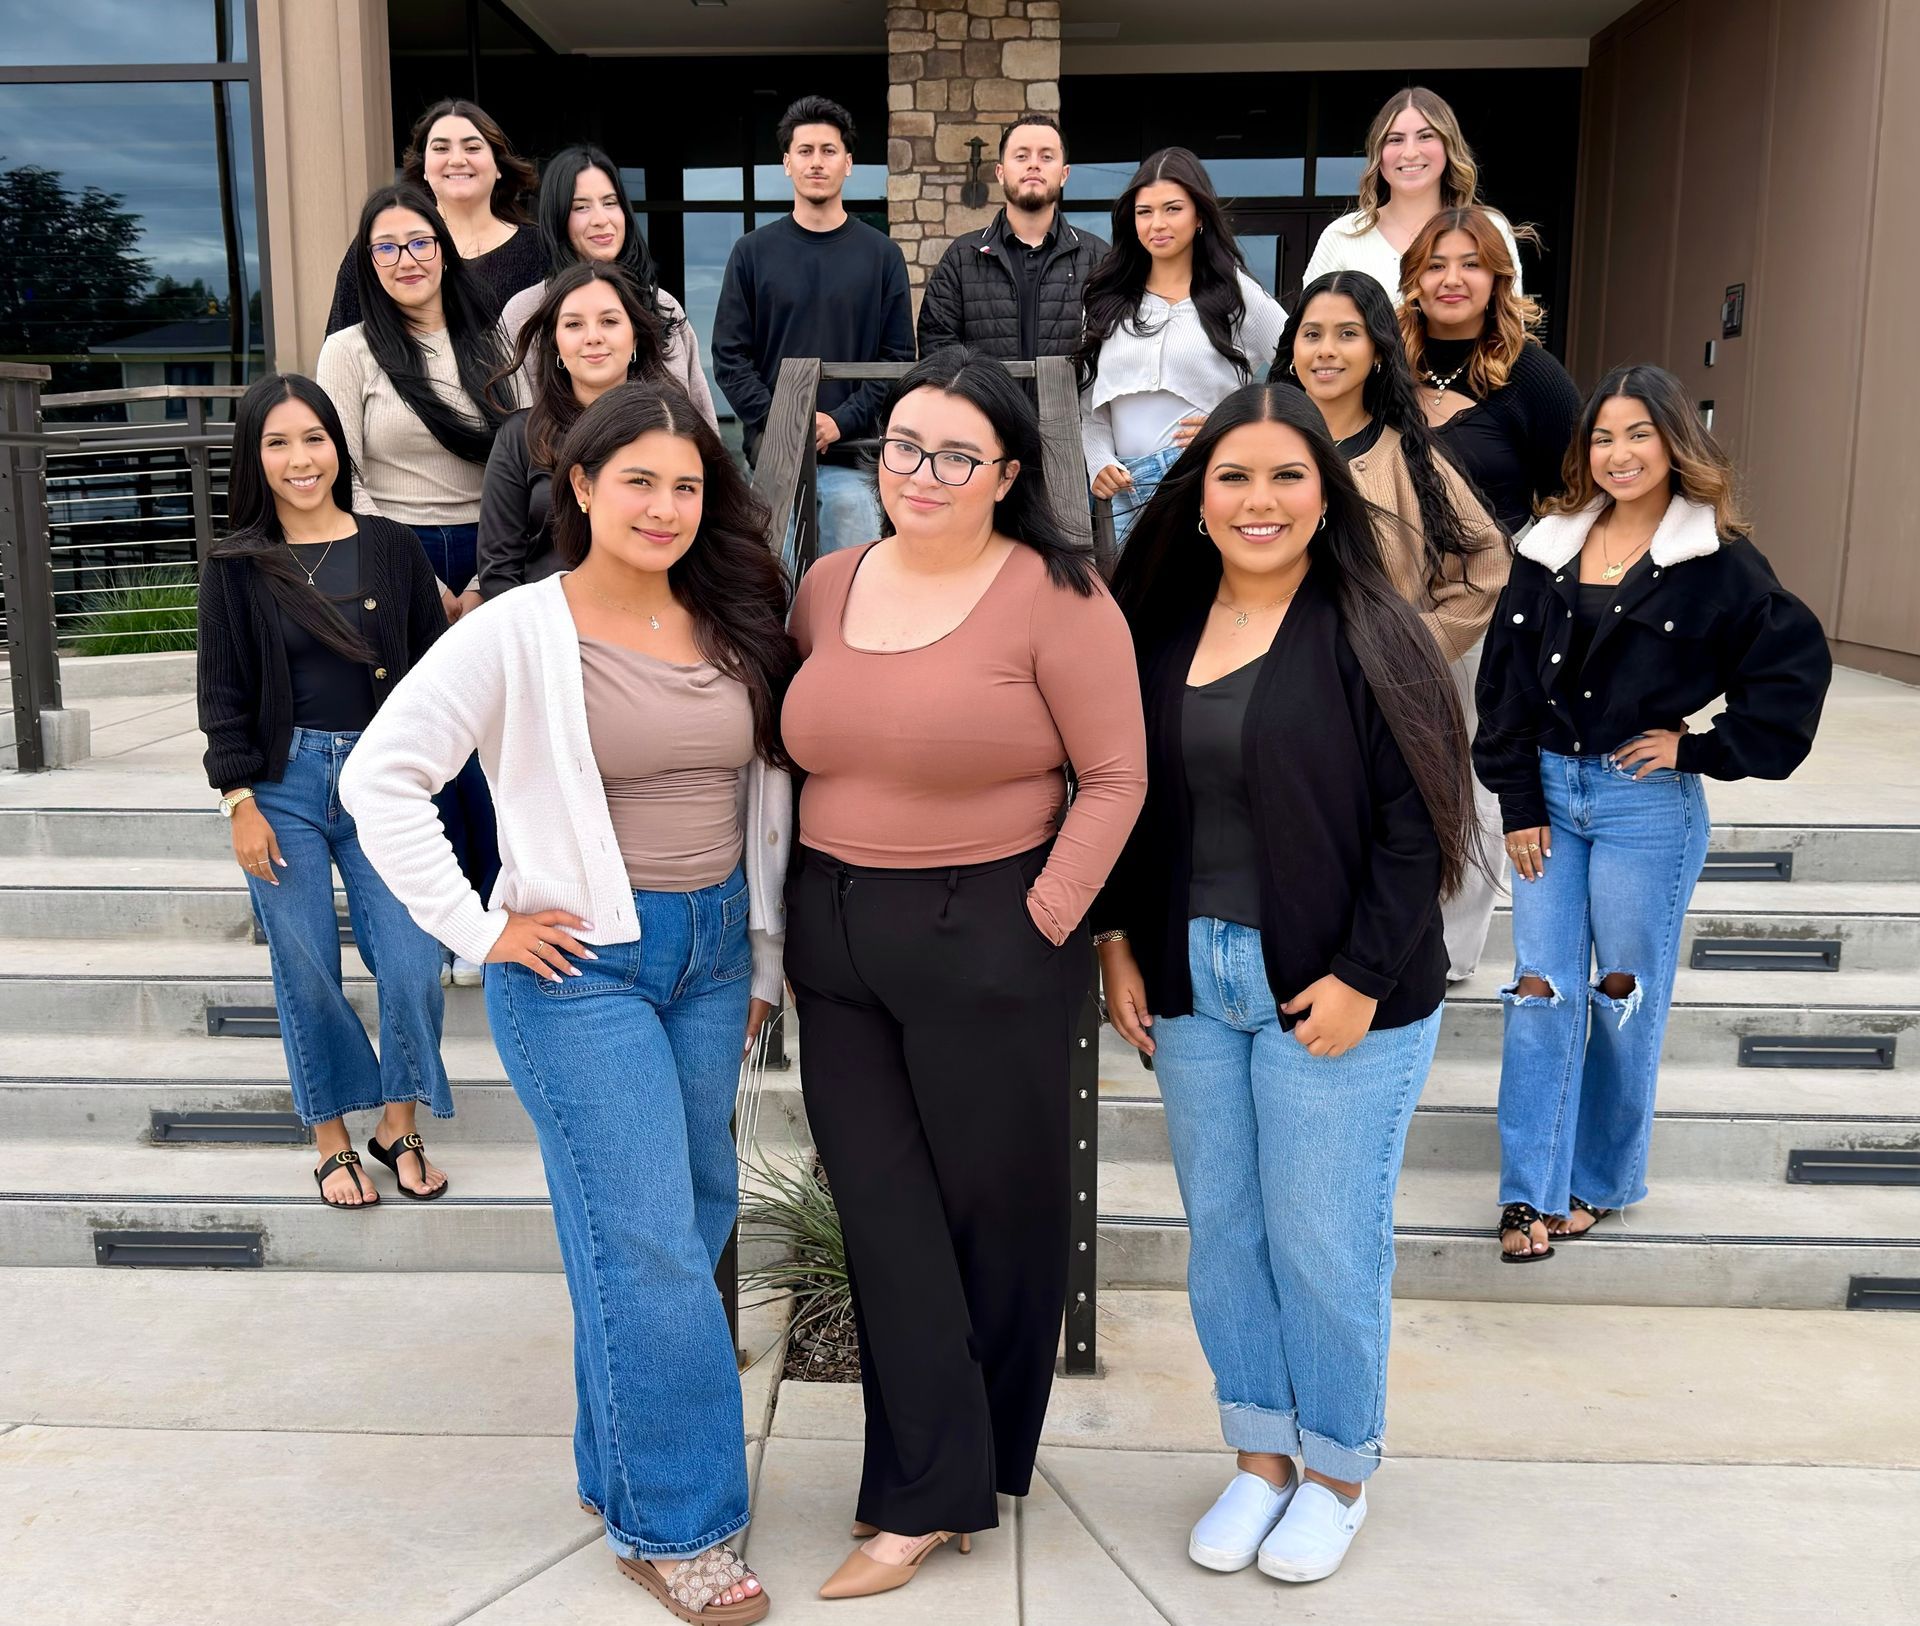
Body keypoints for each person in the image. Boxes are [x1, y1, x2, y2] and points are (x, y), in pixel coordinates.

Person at [341, 382, 794, 1623]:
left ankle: (618, 1466)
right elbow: (385, 777)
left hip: (706, 961)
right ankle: (679, 1525)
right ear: (581, 487)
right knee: (646, 1235)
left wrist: (758, 957)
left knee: (679, 1218)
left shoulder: (732, 615)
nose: (665, 506)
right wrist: (481, 926)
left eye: (688, 484)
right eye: (637, 481)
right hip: (580, 966)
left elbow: (764, 799)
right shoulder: (517, 630)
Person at [1095, 381, 1481, 1585]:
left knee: (1324, 1237)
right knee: (1227, 1236)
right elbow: (1120, 803)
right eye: (1233, 476)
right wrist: (1115, 942)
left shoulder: (1378, 629)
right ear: (1196, 496)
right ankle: (1262, 1455)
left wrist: (1366, 975)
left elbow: (1423, 826)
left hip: (1339, 987)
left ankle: (1338, 1472)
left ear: (1326, 491)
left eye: (1285, 476)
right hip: (1194, 977)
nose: (1258, 501)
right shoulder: (1151, 629)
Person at [781, 347, 1145, 1599]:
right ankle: (926, 1489)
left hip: (987, 926)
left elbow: (1117, 778)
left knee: (997, 1213)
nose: (920, 475)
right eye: (900, 449)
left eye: (953, 455)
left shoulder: (1059, 592)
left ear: (1006, 473)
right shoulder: (827, 583)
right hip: (831, 933)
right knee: (884, 1214)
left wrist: (1040, 922)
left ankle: (966, 1472)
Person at [1474, 365, 1830, 1264]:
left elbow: (1789, 677)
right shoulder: (1547, 544)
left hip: (1645, 808)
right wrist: (1518, 798)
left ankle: (1597, 1183)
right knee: (1539, 994)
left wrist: (1699, 747)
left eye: (1639, 435)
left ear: (1676, 444)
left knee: (1620, 996)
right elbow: (1505, 689)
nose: (1619, 453)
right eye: (1602, 437)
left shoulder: (1719, 561)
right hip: (1550, 797)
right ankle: (1529, 1195)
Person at [196, 373, 452, 1209]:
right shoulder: (235, 566)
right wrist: (240, 801)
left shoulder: (391, 547)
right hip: (284, 785)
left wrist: (422, 781)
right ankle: (332, 1136)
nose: (300, 459)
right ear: (255, 459)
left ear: (337, 446)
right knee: (305, 967)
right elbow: (222, 697)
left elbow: (425, 679)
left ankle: (396, 1120)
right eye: (277, 443)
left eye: (313, 438)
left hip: (384, 783)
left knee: (414, 961)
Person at [1283, 269, 1511, 979]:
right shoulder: (1262, 441)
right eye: (1312, 333)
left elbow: (1486, 565)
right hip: (1274, 692)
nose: (1326, 350)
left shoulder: (1408, 459)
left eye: (1347, 334)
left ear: (1378, 351)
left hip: (1377, 702)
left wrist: (1414, 648)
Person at [317, 180, 516, 986]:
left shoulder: (492, 337)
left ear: (445, 249)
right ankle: (449, 918)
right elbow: (345, 476)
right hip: (393, 556)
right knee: (429, 742)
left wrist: (486, 575)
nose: (407, 259)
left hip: (496, 546)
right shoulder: (350, 350)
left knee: (497, 742)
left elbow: (523, 450)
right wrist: (423, 580)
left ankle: (503, 903)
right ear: (369, 262)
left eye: (420, 242)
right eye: (387, 247)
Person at [712, 94, 913, 559]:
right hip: (774, 456)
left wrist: (839, 422)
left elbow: (897, 360)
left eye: (828, 151)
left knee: (853, 583)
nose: (816, 162)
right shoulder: (752, 253)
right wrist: (787, 422)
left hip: (854, 454)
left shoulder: (882, 257)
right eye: (805, 151)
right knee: (772, 586)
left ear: (848, 163)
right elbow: (729, 357)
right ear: (787, 163)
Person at [1077, 147, 1286, 549]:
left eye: (1173, 209)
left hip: (1204, 477)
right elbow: (1090, 407)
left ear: (1200, 216)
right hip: (1123, 488)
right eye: (1144, 212)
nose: (1157, 224)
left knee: (1201, 606)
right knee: (1130, 609)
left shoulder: (1236, 293)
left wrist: (1236, 424)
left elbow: (1297, 365)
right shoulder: (1106, 297)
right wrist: (1098, 460)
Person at [478, 262, 675, 598]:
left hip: (652, 624)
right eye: (573, 324)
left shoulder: (673, 429)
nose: (593, 337)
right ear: (555, 343)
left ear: (635, 338)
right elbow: (498, 572)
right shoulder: (520, 436)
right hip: (548, 630)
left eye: (609, 321)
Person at [498, 143, 718, 430]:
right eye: (581, 207)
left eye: (610, 202)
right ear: (557, 217)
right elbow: (519, 434)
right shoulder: (525, 312)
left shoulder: (662, 306)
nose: (601, 220)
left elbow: (702, 425)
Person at [1398, 206, 1581, 536]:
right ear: (1415, 280)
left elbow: (1575, 498)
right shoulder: (1385, 369)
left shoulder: (1533, 375)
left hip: (1502, 580)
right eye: (1435, 266)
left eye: (1471, 264)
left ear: (1497, 279)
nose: (1452, 279)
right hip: (1387, 580)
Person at [325, 99, 542, 335]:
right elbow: (340, 337)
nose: (457, 160)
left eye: (472, 148)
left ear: (498, 166)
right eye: (441, 148)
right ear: (424, 168)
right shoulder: (381, 244)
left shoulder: (541, 250)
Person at [1303, 86, 1527, 304]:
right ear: (1378, 154)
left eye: (1425, 136)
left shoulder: (1490, 228)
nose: (1410, 153)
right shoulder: (1342, 236)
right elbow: (1310, 330)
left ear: (1448, 146)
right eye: (1395, 139)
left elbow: (1511, 328)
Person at [915, 114, 1107, 364]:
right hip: (986, 404)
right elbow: (938, 350)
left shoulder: (1099, 259)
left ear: (1064, 174)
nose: (1034, 165)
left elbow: (1113, 354)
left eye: (1047, 156)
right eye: (1021, 156)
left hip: (1068, 404)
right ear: (1000, 172)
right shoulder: (961, 258)